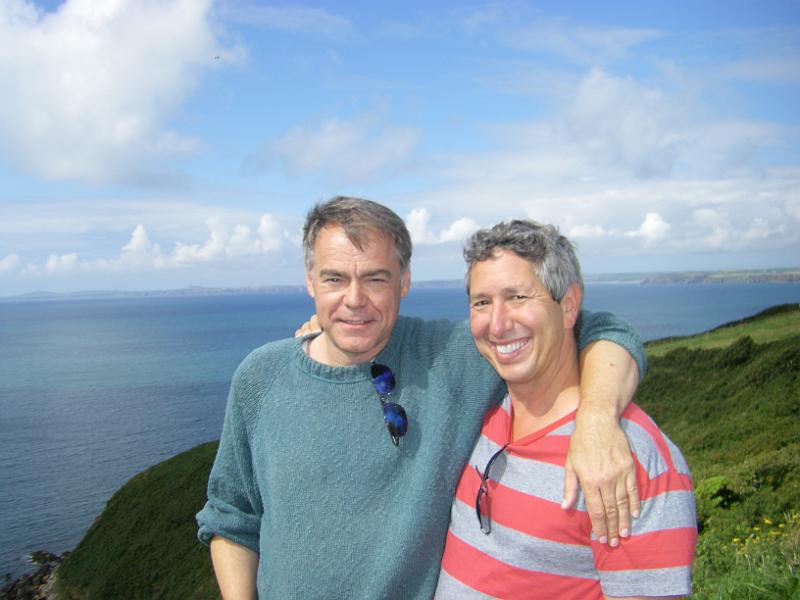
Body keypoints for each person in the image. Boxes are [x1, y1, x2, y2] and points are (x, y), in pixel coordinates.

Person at [196, 197, 646, 599]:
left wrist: (596, 418)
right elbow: (232, 514)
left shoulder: (452, 357)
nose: (355, 300)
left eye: (375, 279)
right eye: (335, 279)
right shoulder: (261, 376)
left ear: (405, 281)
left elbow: (600, 329)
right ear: (311, 282)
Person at [435, 220, 697, 599]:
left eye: (518, 297)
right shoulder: (491, 410)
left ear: (569, 305)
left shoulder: (626, 459)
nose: (497, 323)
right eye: (482, 302)